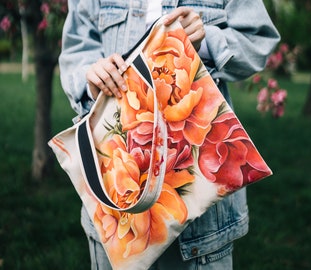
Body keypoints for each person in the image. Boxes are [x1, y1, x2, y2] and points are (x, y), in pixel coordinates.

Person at [59, 0, 280, 269]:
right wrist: (89, 76)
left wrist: (205, 42)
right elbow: (77, 47)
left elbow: (258, 39)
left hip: (201, 226)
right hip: (116, 205)